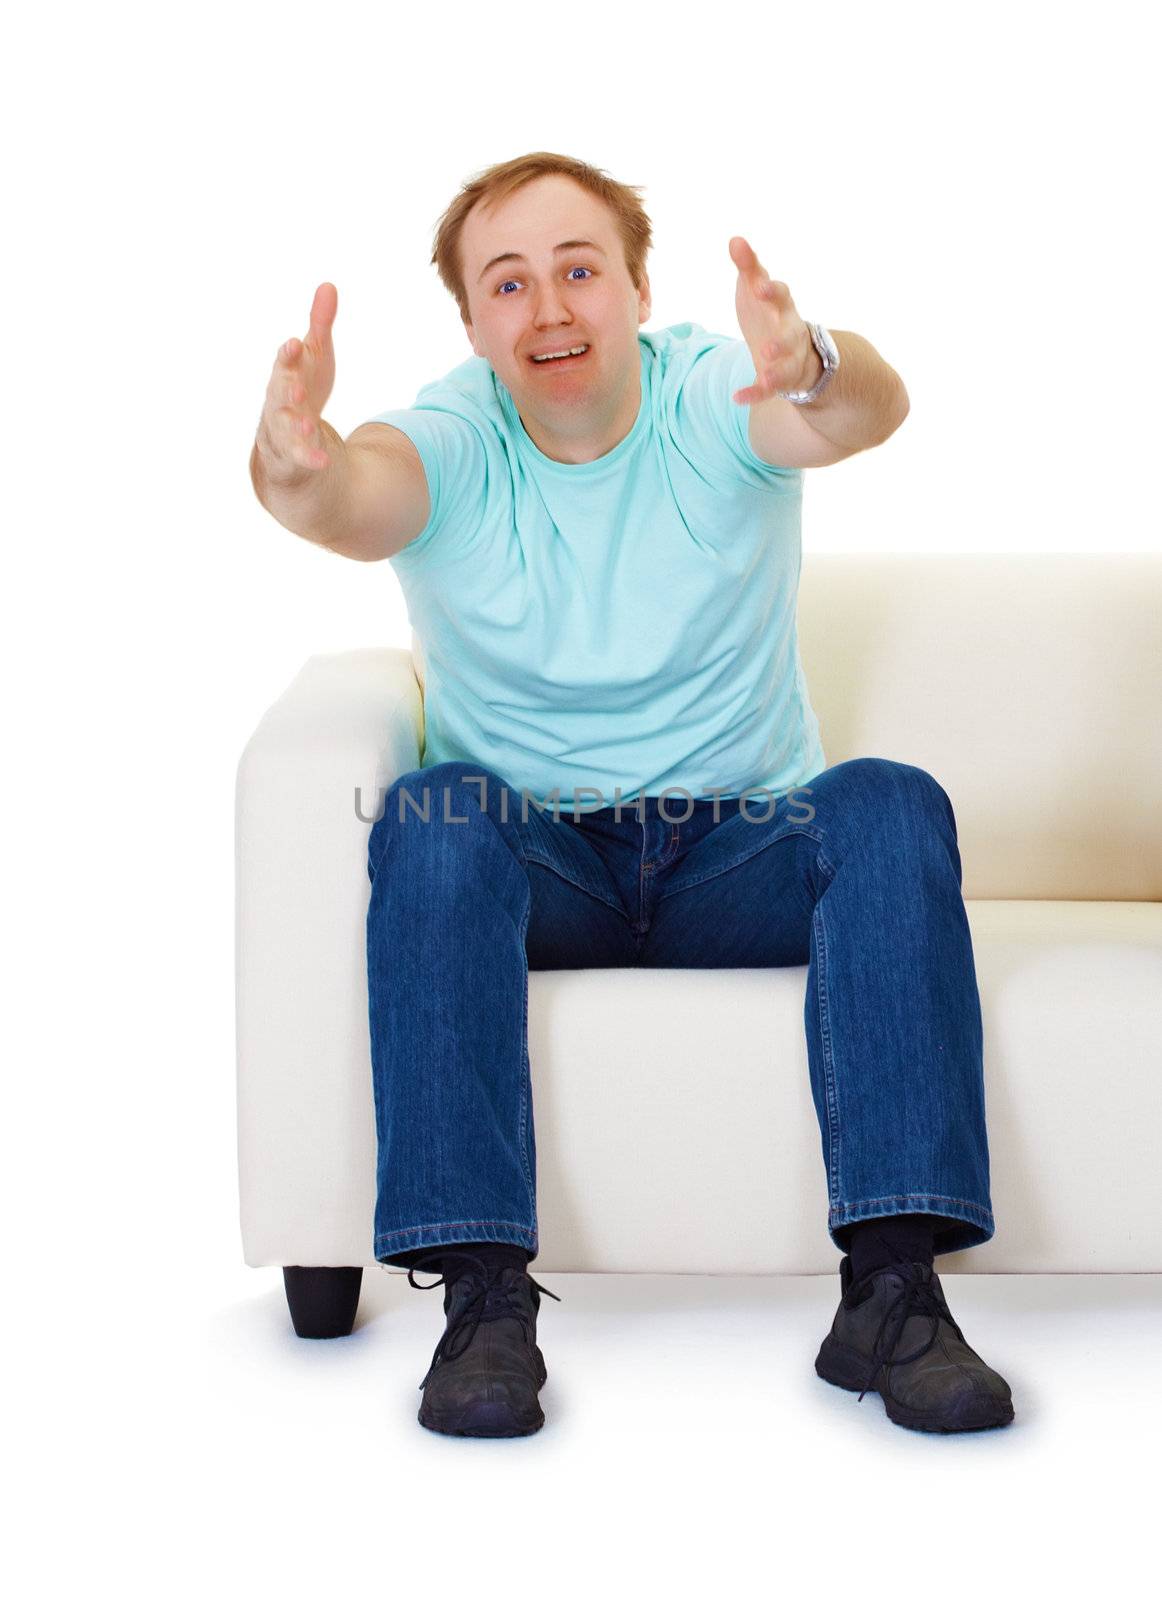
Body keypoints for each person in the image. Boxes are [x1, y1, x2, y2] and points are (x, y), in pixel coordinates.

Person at [249, 150, 1014, 1440]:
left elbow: (854, 413)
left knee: (889, 800)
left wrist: (817, 363)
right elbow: (345, 494)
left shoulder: (721, 390)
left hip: (737, 852)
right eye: (509, 284)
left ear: (637, 288)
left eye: (578, 269)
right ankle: (485, 1303)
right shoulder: (450, 432)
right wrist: (293, 460)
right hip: (543, 860)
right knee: (439, 811)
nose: (549, 308)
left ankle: (893, 1294)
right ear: (475, 323)